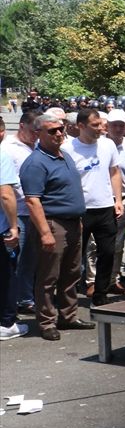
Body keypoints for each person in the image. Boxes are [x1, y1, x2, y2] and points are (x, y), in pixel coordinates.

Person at [19, 114, 90, 340]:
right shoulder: (35, 163)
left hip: (72, 223)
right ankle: (47, 322)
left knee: (71, 273)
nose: (59, 133)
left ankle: (68, 316)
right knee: (48, 277)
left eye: (60, 129)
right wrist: (45, 232)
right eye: (52, 131)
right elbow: (32, 200)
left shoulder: (64, 155)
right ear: (38, 133)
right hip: (52, 224)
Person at [62, 108, 123, 308]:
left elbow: (114, 172)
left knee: (107, 252)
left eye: (101, 124)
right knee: (74, 256)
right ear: (81, 126)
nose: (100, 129)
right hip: (80, 210)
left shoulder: (107, 145)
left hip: (105, 207)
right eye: (95, 125)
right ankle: (68, 295)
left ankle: (101, 292)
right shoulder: (68, 148)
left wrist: (118, 200)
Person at [3, 110, 39, 314]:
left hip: (34, 210)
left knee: (29, 259)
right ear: (22, 126)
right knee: (14, 258)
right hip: (16, 212)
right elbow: (8, 185)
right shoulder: (8, 148)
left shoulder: (37, 146)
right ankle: (11, 301)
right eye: (34, 131)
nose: (36, 135)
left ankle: (25, 298)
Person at [105, 110, 125, 296]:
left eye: (121, 125)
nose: (118, 128)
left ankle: (113, 280)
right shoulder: (100, 144)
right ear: (107, 126)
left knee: (118, 244)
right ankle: (92, 280)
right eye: (114, 125)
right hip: (101, 200)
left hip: (124, 199)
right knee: (95, 244)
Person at [0, 148, 25, 340]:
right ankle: (7, 323)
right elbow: (6, 194)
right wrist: (14, 226)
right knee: (7, 275)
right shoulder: (2, 156)